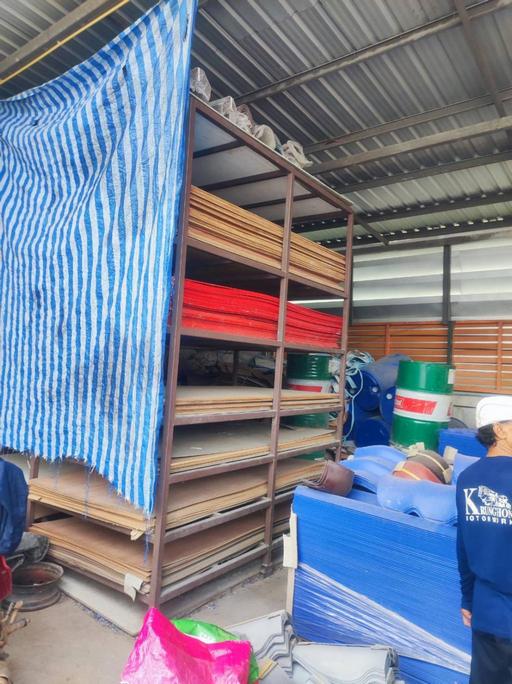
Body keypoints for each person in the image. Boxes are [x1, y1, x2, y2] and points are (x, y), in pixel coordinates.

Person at [456, 396, 512, 684]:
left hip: (487, 612)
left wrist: (468, 599)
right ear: (499, 430)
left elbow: (463, 547)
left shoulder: (467, 478)